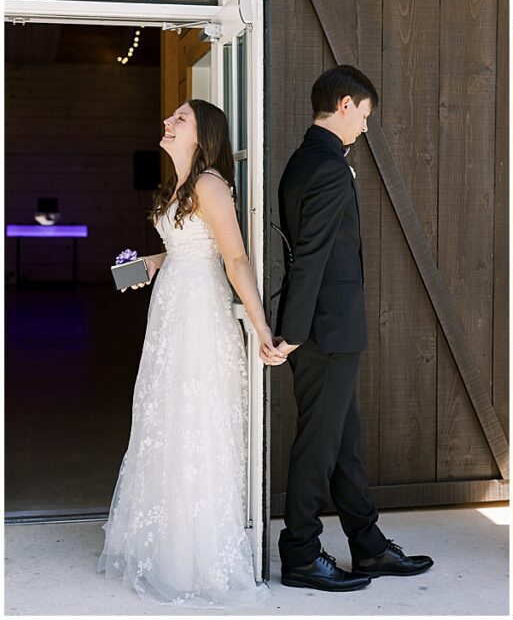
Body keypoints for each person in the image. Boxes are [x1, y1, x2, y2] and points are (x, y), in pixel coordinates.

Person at [99, 99, 284, 607]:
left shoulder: (209, 185)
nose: (168, 122)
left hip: (200, 316)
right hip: (169, 313)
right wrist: (149, 263)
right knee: (164, 420)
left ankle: (194, 555)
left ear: (202, 136)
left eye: (180, 119)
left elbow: (235, 256)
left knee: (194, 421)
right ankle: (164, 544)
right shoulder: (177, 188)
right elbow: (185, 246)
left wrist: (261, 325)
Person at [274, 65, 433, 592]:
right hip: (323, 332)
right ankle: (299, 553)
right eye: (364, 115)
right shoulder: (327, 167)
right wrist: (293, 332)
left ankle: (367, 546)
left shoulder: (305, 160)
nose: (365, 127)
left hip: (325, 330)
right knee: (318, 449)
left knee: (345, 445)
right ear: (345, 105)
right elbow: (310, 257)